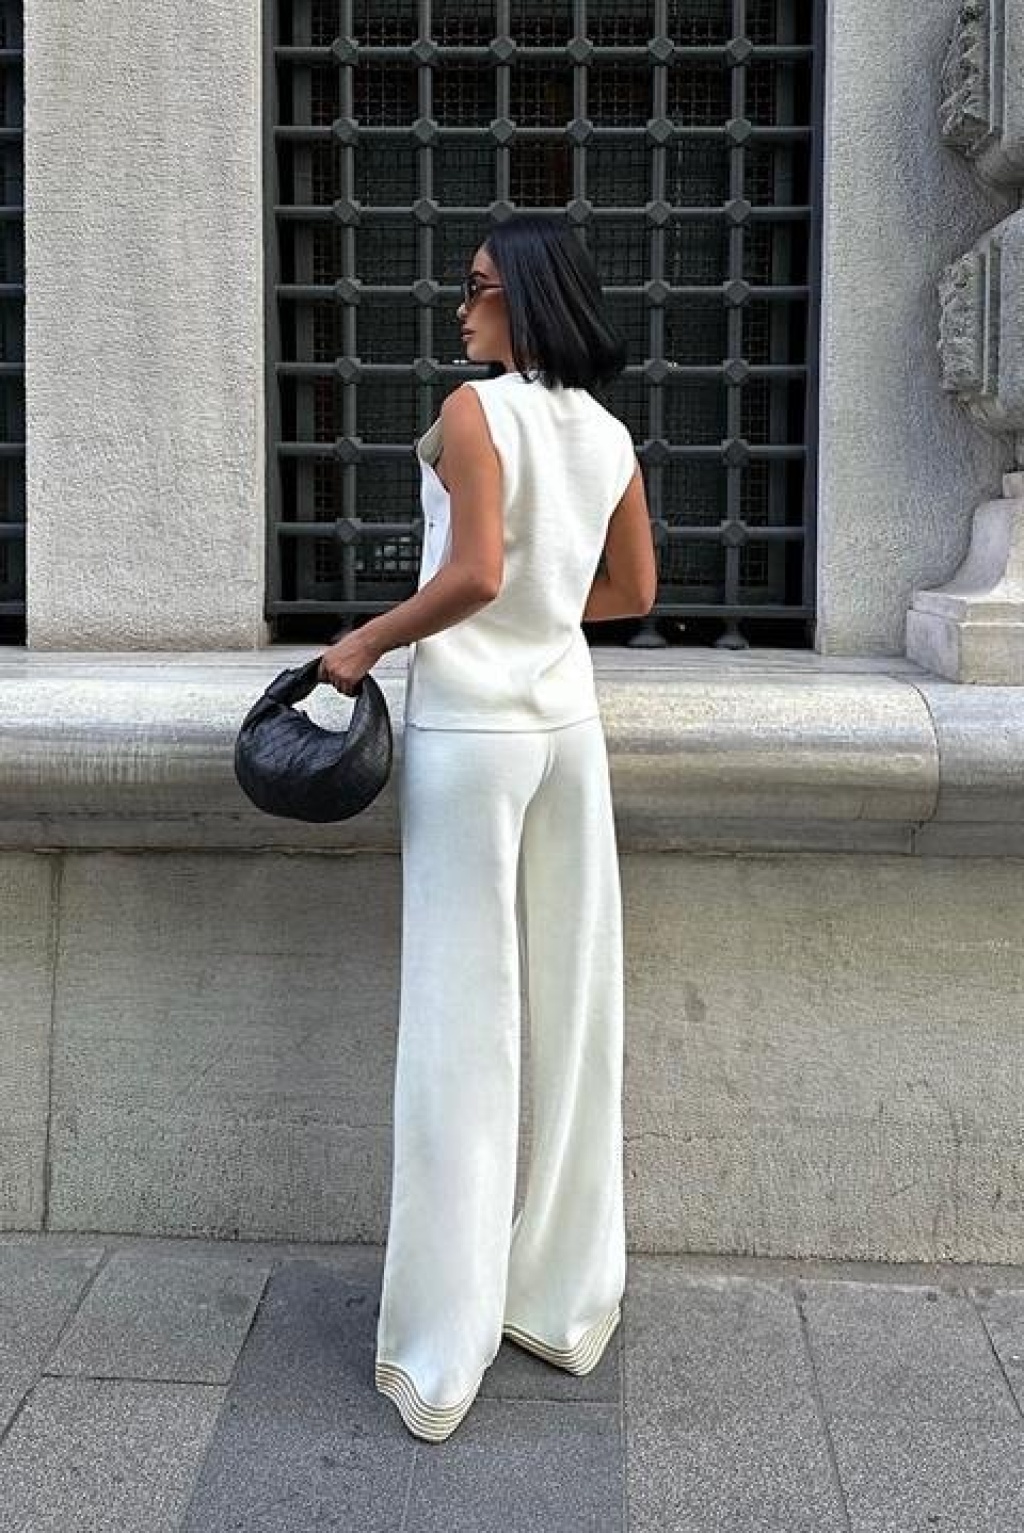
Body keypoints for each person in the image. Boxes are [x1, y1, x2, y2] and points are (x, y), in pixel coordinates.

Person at [317, 212, 657, 1442]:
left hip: (471, 734)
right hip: (567, 730)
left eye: (474, 290)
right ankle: (562, 1304)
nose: (460, 311)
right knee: (575, 1011)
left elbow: (472, 575)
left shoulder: (474, 412)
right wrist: (545, 615)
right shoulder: (606, 432)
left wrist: (361, 643)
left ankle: (440, 1349)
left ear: (523, 298)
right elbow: (633, 591)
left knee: (462, 1029)